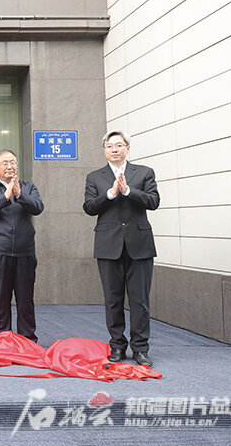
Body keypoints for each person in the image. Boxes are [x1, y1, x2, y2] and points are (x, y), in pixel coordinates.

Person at [83, 130, 159, 367]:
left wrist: (127, 191)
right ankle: (117, 346)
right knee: (112, 300)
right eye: (109, 146)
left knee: (139, 301)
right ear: (104, 150)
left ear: (128, 148)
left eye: (118, 145)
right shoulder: (95, 177)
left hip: (139, 245)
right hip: (108, 246)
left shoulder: (144, 172)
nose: (114, 149)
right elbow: (89, 207)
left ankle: (140, 349)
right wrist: (111, 193)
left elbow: (153, 201)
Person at [0, 149, 44, 342]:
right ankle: (3, 339)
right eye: (5, 163)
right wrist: (5, 197)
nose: (10, 166)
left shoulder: (28, 187)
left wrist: (20, 195)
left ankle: (27, 339)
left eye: (13, 162)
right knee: (2, 298)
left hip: (25, 252)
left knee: (25, 299)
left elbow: (38, 207)